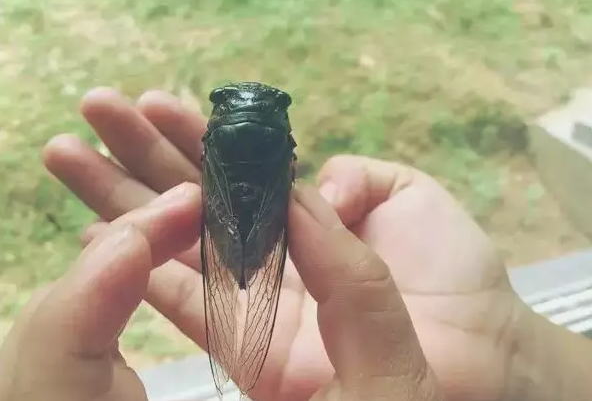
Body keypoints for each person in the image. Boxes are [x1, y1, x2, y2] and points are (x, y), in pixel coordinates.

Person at [0, 88, 591, 401]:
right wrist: (511, 351)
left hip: (234, 216)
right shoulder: (280, 142)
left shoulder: (216, 140)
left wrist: (509, 350)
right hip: (252, 218)